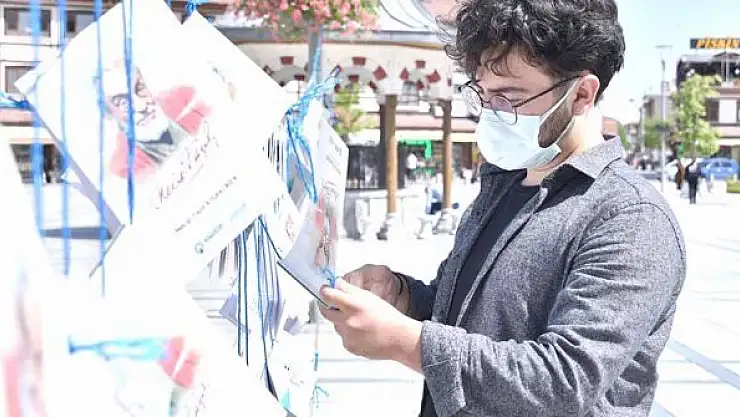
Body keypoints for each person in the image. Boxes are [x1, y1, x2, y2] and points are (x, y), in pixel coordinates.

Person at [317, 1, 686, 416]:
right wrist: (400, 296)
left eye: (509, 97)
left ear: (581, 94)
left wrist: (406, 343)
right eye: (482, 94)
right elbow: (466, 313)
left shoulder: (631, 218)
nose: (491, 113)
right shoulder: (505, 182)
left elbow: (564, 381)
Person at [95, 60, 212, 182]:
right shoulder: (124, 169)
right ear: (110, 115)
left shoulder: (183, 97)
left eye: (140, 88)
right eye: (123, 103)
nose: (142, 106)